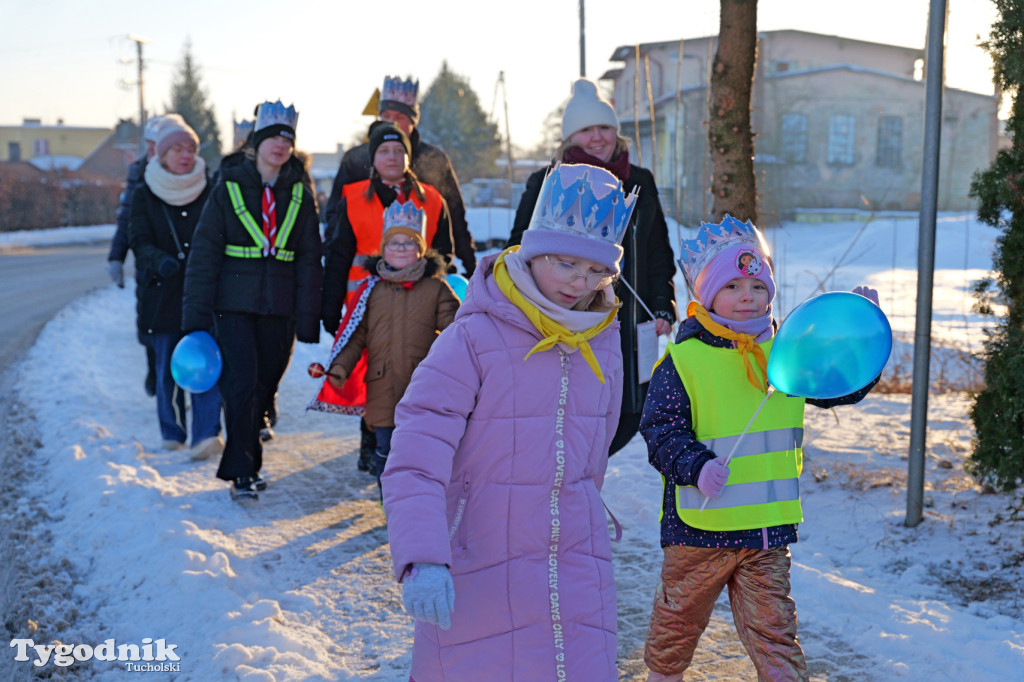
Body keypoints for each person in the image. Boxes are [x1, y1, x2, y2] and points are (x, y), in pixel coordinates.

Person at [381, 163, 634, 681]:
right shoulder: (473, 338)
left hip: (576, 558)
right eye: (565, 263)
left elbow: (595, 451)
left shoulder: (603, 340)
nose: (579, 282)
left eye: (596, 272)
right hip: (481, 557)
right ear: (533, 250)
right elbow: (416, 456)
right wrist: (424, 556)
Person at [639, 216, 881, 682]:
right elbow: (660, 430)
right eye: (732, 285)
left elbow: (836, 388)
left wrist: (862, 339)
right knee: (677, 624)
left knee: (775, 631)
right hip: (699, 529)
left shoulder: (788, 353)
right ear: (707, 295)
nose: (747, 295)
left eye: (757, 283)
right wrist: (695, 465)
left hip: (766, 532)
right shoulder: (684, 360)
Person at [508, 77, 677, 457]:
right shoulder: (547, 181)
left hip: (630, 322)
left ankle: (582, 478)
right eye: (586, 130)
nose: (598, 137)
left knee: (629, 410)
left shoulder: (641, 183)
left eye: (604, 127)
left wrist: (663, 305)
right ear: (570, 138)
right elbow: (518, 248)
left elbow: (657, 253)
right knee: (568, 407)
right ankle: (564, 485)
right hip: (565, 317)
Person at [183, 101, 323, 501]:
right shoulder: (227, 185)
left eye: (287, 139)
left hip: (280, 307)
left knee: (264, 385)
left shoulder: (300, 189)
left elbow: (311, 255)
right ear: (257, 142)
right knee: (241, 385)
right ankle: (243, 469)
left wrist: (309, 316)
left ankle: (256, 425)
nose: (280, 145)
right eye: (273, 138)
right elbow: (205, 253)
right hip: (233, 306)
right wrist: (195, 317)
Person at [321, 121, 455, 473]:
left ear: (409, 157)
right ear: (373, 158)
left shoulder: (432, 198)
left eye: (399, 150)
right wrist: (329, 305)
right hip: (363, 300)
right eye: (384, 150)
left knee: (411, 372)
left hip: (419, 301)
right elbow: (336, 256)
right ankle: (372, 444)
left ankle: (412, 452)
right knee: (369, 374)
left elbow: (445, 253)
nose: (392, 157)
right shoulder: (351, 196)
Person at [314, 200, 459, 496]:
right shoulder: (371, 290)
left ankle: (422, 501)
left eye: (409, 242)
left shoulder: (436, 289)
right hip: (381, 385)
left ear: (421, 249)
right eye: (394, 243)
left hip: (424, 386)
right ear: (383, 249)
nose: (402, 248)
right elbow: (356, 335)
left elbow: (457, 332)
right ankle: (390, 501)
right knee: (386, 449)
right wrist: (340, 366)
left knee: (421, 447)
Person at [127, 114, 223, 459]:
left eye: (190, 149)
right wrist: (158, 260)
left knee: (206, 361)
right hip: (161, 292)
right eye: (177, 149)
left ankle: (207, 434)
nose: (184, 155)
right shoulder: (144, 192)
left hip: (203, 292)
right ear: (162, 154)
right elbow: (137, 238)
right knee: (168, 365)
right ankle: (173, 432)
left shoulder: (211, 190)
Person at [323, 75, 476, 276]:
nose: (392, 122)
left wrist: (472, 267)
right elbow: (336, 218)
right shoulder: (356, 158)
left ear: (413, 121)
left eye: (400, 117)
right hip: (369, 277)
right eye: (386, 116)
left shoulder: (434, 159)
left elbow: (454, 216)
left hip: (421, 278)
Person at [109, 114, 162, 397]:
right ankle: (154, 368)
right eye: (149, 144)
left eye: (158, 144)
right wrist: (116, 257)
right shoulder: (138, 171)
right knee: (149, 321)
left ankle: (174, 377)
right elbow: (126, 217)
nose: (153, 150)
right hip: (147, 261)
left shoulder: (191, 170)